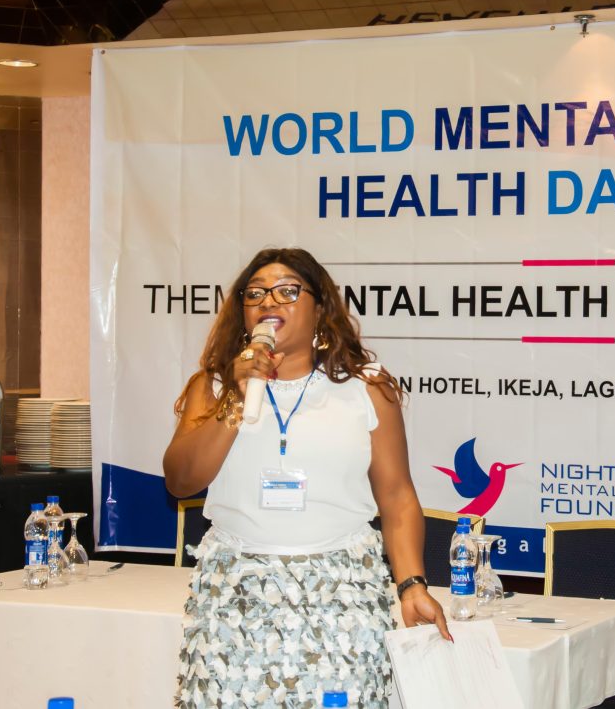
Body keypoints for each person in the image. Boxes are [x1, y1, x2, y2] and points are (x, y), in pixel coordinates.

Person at [164, 247, 449, 709]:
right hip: (235, 596)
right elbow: (180, 480)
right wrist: (235, 397)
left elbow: (397, 497)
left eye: (287, 291)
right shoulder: (213, 386)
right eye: (255, 293)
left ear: (320, 309)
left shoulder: (366, 388)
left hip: (342, 595)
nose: (268, 301)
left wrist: (411, 584)